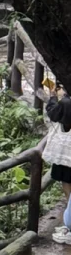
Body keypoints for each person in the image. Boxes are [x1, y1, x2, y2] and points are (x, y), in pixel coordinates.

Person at [41, 85, 71, 245]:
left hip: (65, 154)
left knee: (66, 183)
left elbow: (53, 114)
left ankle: (69, 218)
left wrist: (53, 97)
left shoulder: (66, 103)